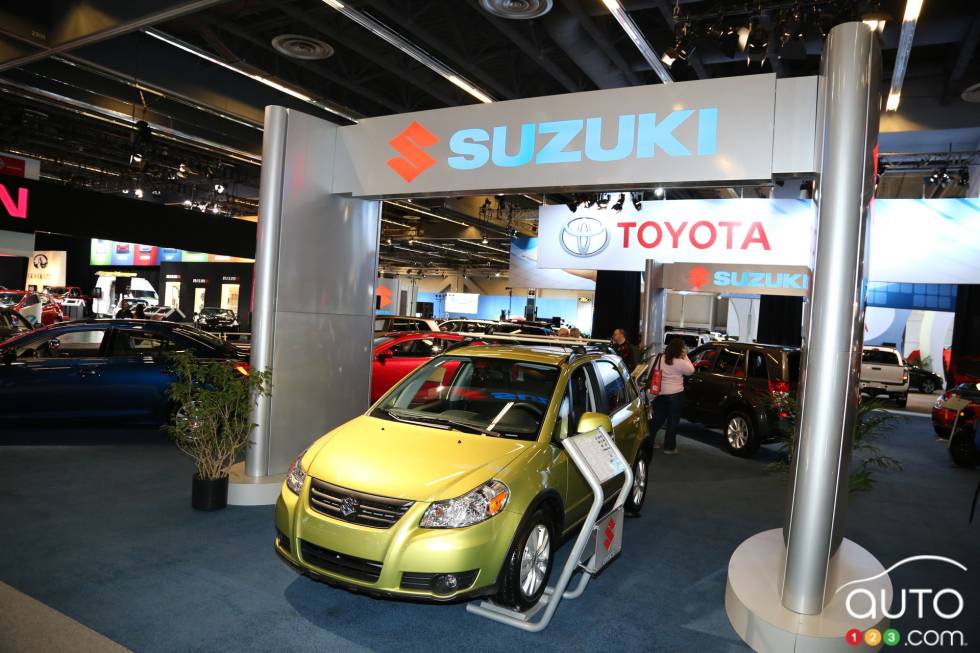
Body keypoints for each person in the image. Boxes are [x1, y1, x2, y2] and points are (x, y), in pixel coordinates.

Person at [648, 337, 695, 455]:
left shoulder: (659, 358)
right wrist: (686, 356)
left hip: (660, 394)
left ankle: (649, 442)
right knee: (673, 422)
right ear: (680, 349)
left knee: (656, 420)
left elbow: (652, 372)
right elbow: (691, 370)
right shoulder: (680, 362)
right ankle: (669, 448)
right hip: (676, 396)